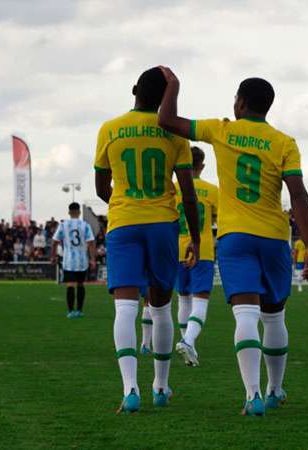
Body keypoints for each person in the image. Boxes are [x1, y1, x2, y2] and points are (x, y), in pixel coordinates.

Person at [158, 67, 308, 416]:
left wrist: (173, 85)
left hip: (235, 238)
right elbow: (299, 195)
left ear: (241, 102)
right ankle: (275, 390)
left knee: (245, 314)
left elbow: (166, 120)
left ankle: (252, 395)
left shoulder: (222, 129)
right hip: (274, 237)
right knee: (274, 317)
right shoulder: (284, 143)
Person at [94, 67, 201, 413]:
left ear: (134, 89)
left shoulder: (110, 128)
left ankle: (129, 390)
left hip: (124, 223)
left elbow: (100, 187)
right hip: (162, 224)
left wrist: (125, 205)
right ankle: (161, 385)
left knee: (124, 308)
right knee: (160, 306)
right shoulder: (174, 135)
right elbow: (188, 195)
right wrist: (196, 238)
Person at [174, 146, 219, 367]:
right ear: (202, 165)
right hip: (202, 252)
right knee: (200, 300)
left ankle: (188, 344)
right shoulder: (212, 191)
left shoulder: (172, 189)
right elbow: (221, 218)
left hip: (177, 251)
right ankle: (189, 340)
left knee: (183, 298)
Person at [51, 202, 97, 318]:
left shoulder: (63, 225)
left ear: (69, 212)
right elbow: (91, 243)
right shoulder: (85, 225)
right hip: (82, 261)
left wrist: (53, 256)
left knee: (70, 285)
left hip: (69, 261)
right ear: (79, 212)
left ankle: (71, 311)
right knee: (81, 285)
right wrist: (92, 259)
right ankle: (79, 311)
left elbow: (54, 242)